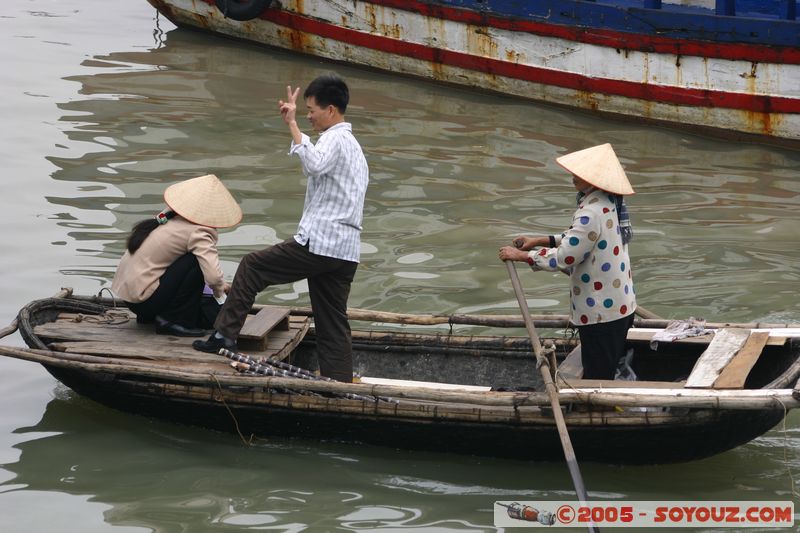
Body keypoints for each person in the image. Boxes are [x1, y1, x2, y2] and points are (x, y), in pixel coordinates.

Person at [193, 73, 369, 383]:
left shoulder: (335, 138)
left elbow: (314, 164)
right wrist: (297, 128)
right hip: (345, 251)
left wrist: (292, 125)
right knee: (332, 319)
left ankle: (224, 335)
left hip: (322, 242)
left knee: (252, 266)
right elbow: (319, 165)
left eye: (312, 110)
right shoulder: (355, 148)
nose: (309, 116)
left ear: (330, 110)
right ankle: (339, 383)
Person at [498, 143, 636, 380]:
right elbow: (581, 239)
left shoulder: (591, 212)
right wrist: (539, 241)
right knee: (605, 369)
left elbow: (565, 258)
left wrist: (522, 256)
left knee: (597, 379)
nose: (573, 177)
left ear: (594, 180)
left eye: (580, 174)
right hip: (620, 306)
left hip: (601, 313)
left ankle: (595, 403)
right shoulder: (608, 202)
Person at [111, 174, 242, 336]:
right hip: (145, 302)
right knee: (195, 262)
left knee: (188, 262)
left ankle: (152, 317)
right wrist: (221, 292)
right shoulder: (199, 231)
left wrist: (221, 285)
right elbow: (213, 278)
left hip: (131, 300)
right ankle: (173, 321)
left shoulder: (168, 216)